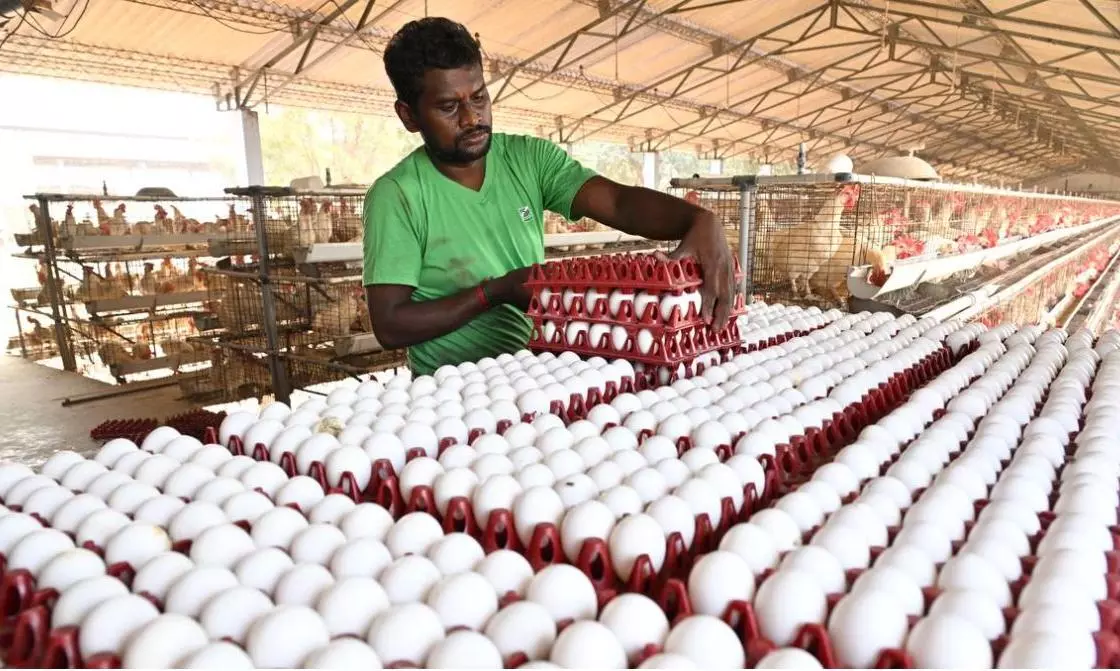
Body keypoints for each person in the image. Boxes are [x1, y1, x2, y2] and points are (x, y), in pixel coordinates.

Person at [363, 17, 735, 376]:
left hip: (533, 370)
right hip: (451, 390)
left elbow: (619, 203)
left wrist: (700, 220)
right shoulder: (398, 195)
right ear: (409, 116)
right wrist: (496, 291)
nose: (472, 118)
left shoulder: (528, 159)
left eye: (479, 98)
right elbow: (392, 325)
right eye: (449, 106)